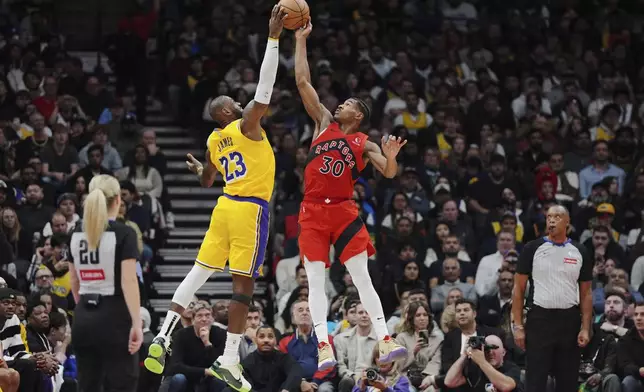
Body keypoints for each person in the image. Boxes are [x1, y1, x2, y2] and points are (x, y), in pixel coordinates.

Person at [145, 7, 287, 392]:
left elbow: (210, 178)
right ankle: (228, 360)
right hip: (248, 211)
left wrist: (198, 172)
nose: (243, 106)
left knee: (199, 272)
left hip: (224, 206)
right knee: (243, 288)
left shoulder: (212, 141)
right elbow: (265, 88)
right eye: (235, 105)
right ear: (227, 112)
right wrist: (273, 38)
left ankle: (161, 336)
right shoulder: (246, 126)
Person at [293, 21, 407, 371]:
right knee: (315, 279)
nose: (337, 104)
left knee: (361, 277)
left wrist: (391, 158)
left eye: (346, 103)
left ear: (357, 115)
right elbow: (302, 82)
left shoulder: (364, 142)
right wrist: (299, 41)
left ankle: (385, 338)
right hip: (312, 211)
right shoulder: (323, 123)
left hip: (343, 212)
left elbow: (388, 174)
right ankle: (324, 345)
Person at [67, 175, 142, 392]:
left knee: (88, 385)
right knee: (122, 384)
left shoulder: (76, 232)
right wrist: (136, 323)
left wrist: (85, 309)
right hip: (115, 317)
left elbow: (74, 281)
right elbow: (129, 281)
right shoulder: (124, 232)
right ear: (118, 200)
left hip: (83, 318)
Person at [511, 205, 593, 392]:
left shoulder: (580, 250)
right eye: (549, 217)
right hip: (540, 320)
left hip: (569, 321)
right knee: (535, 381)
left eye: (557, 216)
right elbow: (518, 289)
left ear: (567, 222)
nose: (552, 220)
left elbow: (586, 293)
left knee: (568, 381)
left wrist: (585, 328)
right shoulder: (532, 248)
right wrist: (518, 326)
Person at [444, 335, 522, 392]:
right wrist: (465, 354)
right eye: (487, 348)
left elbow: (506, 386)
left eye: (494, 348)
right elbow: (449, 381)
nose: (490, 352)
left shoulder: (512, 368)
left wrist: (482, 361)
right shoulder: (476, 368)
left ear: (503, 352)